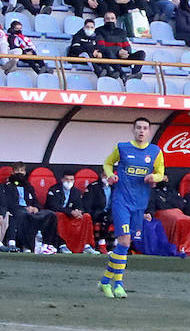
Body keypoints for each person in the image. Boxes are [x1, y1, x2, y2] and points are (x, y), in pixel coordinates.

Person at [98, 117, 164, 298]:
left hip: (140, 203)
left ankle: (104, 281)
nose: (141, 131)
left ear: (149, 131)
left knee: (125, 245)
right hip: (122, 201)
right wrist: (111, 175)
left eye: (145, 128)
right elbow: (107, 163)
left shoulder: (155, 151)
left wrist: (154, 178)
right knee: (124, 242)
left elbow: (161, 173)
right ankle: (118, 284)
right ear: (133, 130)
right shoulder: (122, 148)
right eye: (138, 128)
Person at [44, 171, 98, 254]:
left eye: (71, 179)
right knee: (60, 215)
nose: (69, 182)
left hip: (72, 214)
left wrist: (79, 211)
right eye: (67, 179)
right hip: (59, 214)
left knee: (86, 216)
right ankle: (62, 244)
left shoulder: (76, 192)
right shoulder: (54, 190)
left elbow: (80, 205)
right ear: (62, 180)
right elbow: (53, 206)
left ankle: (86, 245)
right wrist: (70, 211)